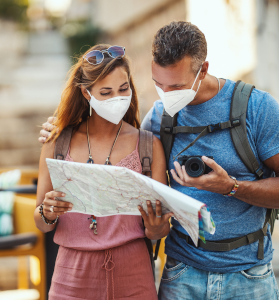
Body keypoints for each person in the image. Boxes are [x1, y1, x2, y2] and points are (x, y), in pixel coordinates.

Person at [40, 22, 279, 299]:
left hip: (249, 275)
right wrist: (59, 127)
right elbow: (114, 133)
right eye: (158, 84)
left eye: (176, 85)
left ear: (202, 69)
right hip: (182, 274)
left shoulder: (256, 109)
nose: (166, 94)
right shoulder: (159, 119)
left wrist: (231, 186)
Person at [34, 44, 173, 300]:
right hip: (71, 275)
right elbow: (41, 223)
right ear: (87, 94)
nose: (117, 99)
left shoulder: (149, 145)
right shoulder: (56, 142)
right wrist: (48, 212)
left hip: (133, 273)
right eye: (105, 92)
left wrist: (156, 226)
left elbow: (158, 232)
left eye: (123, 89)